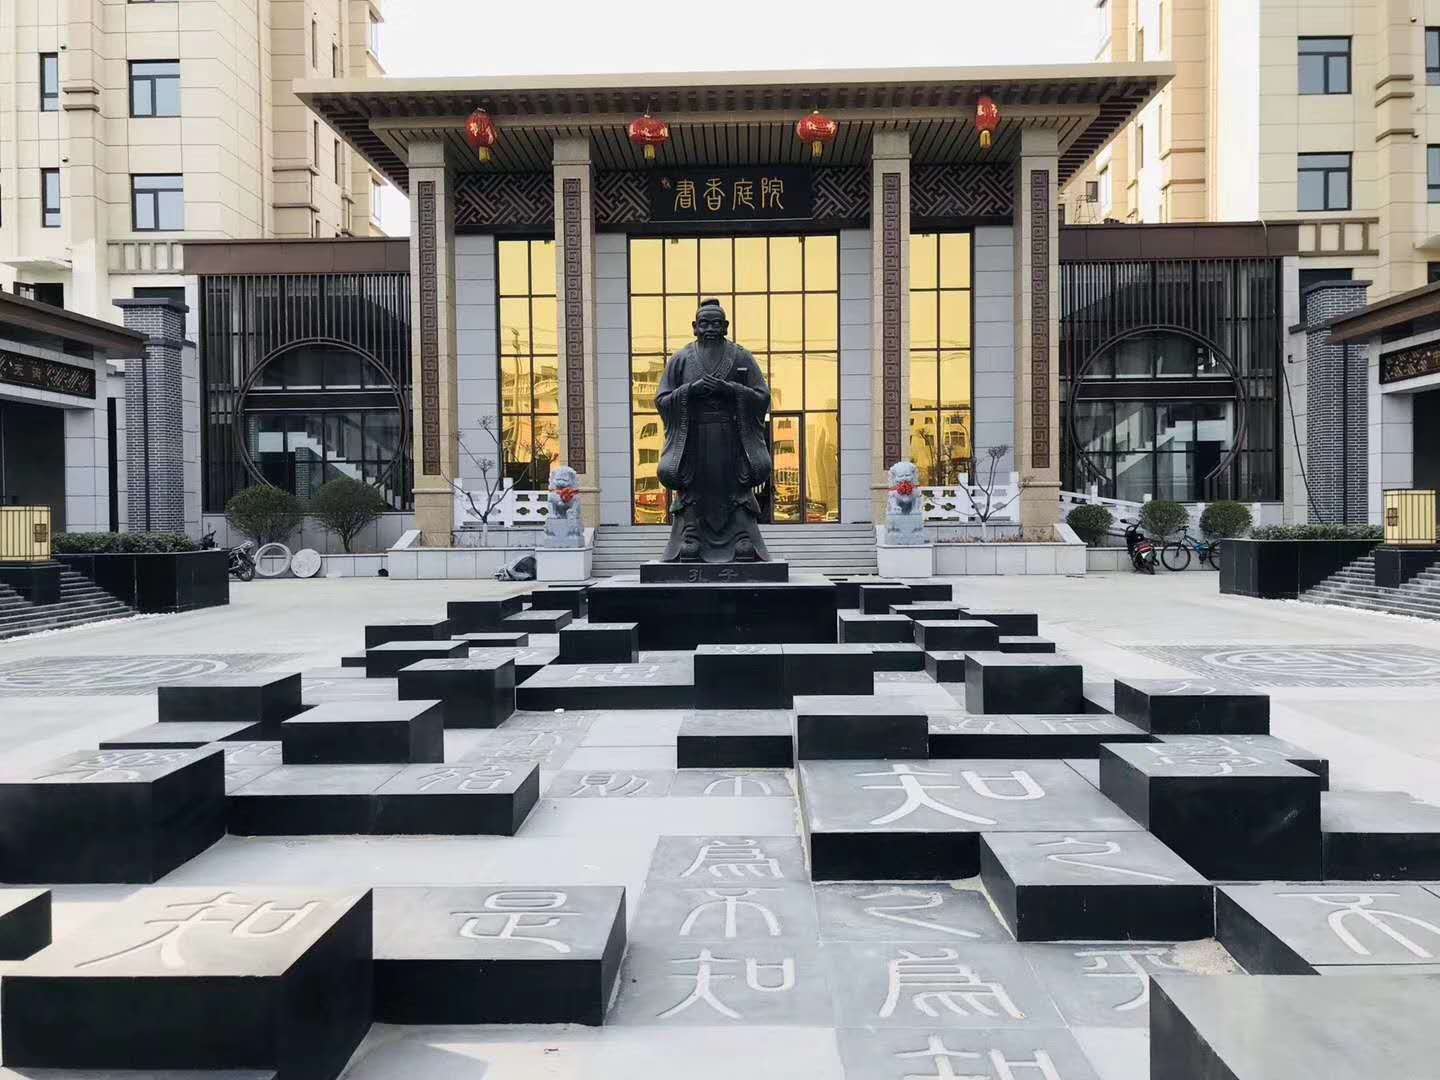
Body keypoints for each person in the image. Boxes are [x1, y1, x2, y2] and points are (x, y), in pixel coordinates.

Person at [655, 298, 772, 562]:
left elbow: (762, 396)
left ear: (726, 326)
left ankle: (741, 537)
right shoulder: (681, 359)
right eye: (704, 324)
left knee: (734, 489)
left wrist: (731, 389)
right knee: (694, 489)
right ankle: (691, 537)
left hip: (731, 438)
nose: (710, 329)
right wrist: (690, 391)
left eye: (716, 324)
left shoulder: (741, 356)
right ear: (694, 326)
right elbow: (662, 399)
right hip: (693, 439)